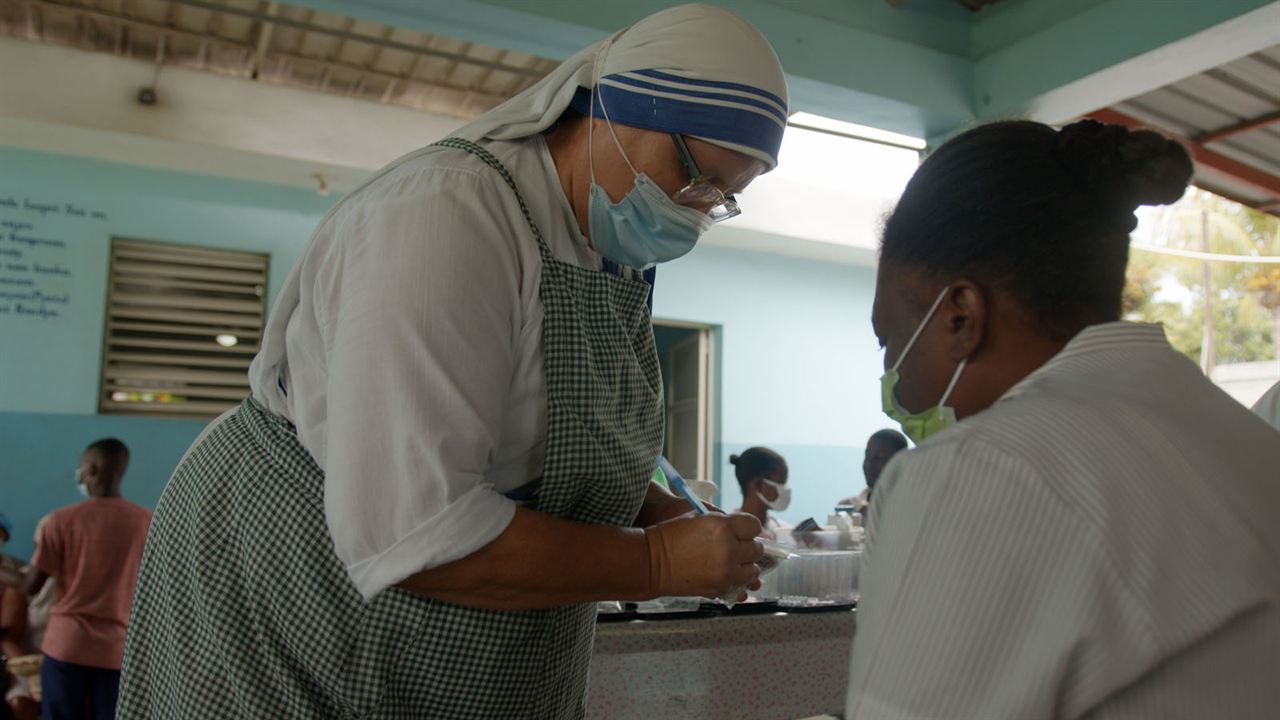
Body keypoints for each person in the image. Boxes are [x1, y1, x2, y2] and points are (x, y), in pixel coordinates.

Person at [119, 5, 785, 718]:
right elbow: (418, 534)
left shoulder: (610, 249)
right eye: (692, 173)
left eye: (721, 197)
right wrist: (656, 563)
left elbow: (559, 444)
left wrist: (661, 513)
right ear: (611, 105)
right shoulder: (447, 215)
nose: (692, 208)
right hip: (293, 589)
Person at [847, 119, 1280, 718]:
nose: (892, 373)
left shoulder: (978, 473)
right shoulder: (1249, 442)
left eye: (887, 339)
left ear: (960, 316)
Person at [27, 438, 151, 720]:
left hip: (67, 647)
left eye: (81, 467)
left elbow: (31, 586)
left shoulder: (61, 521)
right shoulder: (147, 523)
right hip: (117, 651)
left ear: (91, 469)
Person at [839, 429, 908, 512]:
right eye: (867, 455)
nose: (869, 464)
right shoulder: (847, 507)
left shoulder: (911, 507)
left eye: (880, 458)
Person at [730, 447, 791, 537]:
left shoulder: (783, 530)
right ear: (758, 485)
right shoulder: (729, 531)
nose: (786, 490)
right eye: (781, 483)